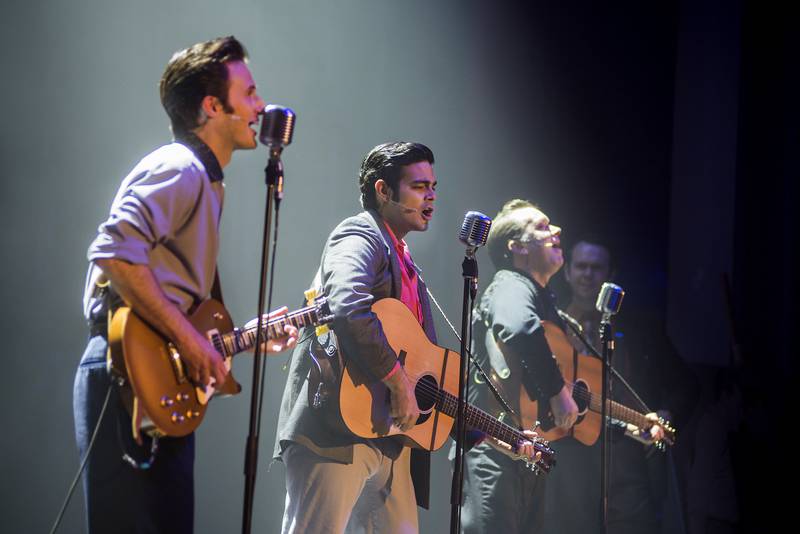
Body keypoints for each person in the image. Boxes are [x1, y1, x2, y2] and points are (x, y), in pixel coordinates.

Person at [74, 36, 297, 534]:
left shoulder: (205, 179)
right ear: (213, 106)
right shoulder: (180, 168)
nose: (261, 106)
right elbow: (112, 252)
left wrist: (240, 335)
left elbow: (176, 300)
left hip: (155, 376)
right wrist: (191, 341)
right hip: (126, 372)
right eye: (251, 93)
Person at [274, 143, 539, 534]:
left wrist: (496, 436)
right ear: (383, 191)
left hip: (391, 440)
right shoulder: (359, 234)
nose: (431, 195)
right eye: (419, 186)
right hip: (336, 431)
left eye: (433, 186)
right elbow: (347, 305)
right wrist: (397, 381)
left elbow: (424, 381)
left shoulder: (406, 260)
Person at [541, 237, 699, 534]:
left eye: (596, 268)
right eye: (581, 267)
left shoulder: (641, 329)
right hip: (572, 456)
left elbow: (686, 384)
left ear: (610, 274)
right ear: (567, 272)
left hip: (627, 455)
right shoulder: (553, 324)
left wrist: (667, 412)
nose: (588, 274)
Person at [459, 199, 580, 533]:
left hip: (526, 450)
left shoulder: (543, 298)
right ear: (516, 247)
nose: (557, 231)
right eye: (541, 227)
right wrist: (558, 392)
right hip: (494, 448)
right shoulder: (510, 284)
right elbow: (518, 326)